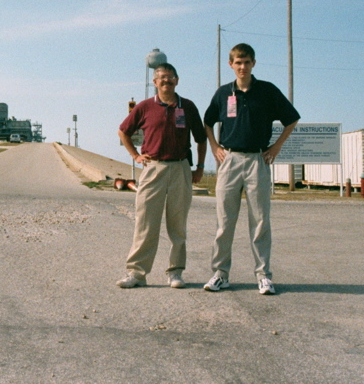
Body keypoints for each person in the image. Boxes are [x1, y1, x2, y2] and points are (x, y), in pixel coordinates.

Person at [202, 43, 300, 295]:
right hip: (230, 160)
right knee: (224, 222)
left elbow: (291, 119)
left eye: (246, 62)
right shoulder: (223, 93)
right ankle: (220, 273)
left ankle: (264, 275)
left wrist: (276, 147)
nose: (242, 66)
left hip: (258, 160)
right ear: (230, 65)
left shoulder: (267, 91)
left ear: (253, 63)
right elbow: (208, 121)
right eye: (238, 62)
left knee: (260, 221)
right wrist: (215, 147)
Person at [116, 63, 207, 289]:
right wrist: (135, 155)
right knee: (145, 223)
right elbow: (123, 131)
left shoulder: (188, 107)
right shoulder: (145, 107)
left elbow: (201, 138)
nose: (166, 81)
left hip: (180, 168)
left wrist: (200, 167)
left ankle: (175, 272)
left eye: (170, 78)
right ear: (155, 82)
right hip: (153, 168)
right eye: (161, 78)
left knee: (177, 225)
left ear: (177, 80)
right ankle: (137, 273)